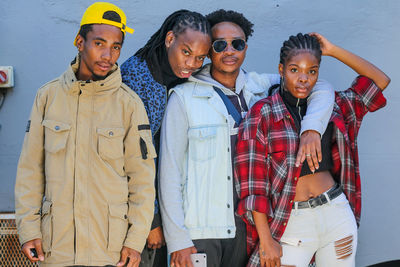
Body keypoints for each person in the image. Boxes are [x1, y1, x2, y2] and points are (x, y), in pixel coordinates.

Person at [159, 10, 334, 267]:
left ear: (246, 47)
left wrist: (312, 129)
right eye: (220, 45)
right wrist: (177, 240)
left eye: (237, 44)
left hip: (249, 230)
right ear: (208, 50)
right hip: (200, 233)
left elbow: (318, 86)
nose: (229, 51)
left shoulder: (262, 87)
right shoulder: (183, 98)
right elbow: (169, 173)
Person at [14, 2, 156, 267]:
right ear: (80, 42)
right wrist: (29, 229)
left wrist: (135, 241)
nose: (108, 54)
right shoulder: (48, 97)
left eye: (116, 47)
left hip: (110, 250)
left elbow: (142, 182)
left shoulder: (129, 104)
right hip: (57, 247)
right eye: (99, 43)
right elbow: (30, 170)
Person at [235, 33, 390, 267]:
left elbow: (379, 82)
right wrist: (266, 239)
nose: (303, 79)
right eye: (295, 70)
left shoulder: (334, 106)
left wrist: (333, 50)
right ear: (281, 69)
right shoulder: (263, 114)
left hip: (336, 213)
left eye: (312, 71)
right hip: (290, 221)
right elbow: (253, 186)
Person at [120, 10, 211, 267]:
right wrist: (152, 222)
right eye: (186, 52)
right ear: (169, 39)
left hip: (178, 212)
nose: (192, 63)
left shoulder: (183, 78)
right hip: (141, 219)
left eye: (200, 57)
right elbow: (135, 160)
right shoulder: (138, 79)